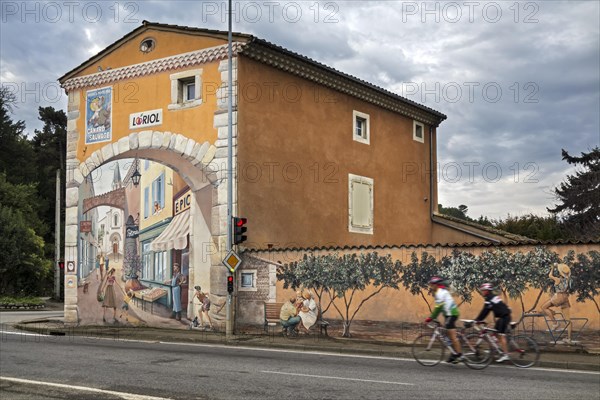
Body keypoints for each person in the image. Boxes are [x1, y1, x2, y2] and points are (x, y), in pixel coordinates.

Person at [424, 276, 463, 363]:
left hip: (452, 314)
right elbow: (440, 307)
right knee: (447, 334)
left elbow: (438, 307)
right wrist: (435, 318)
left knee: (452, 336)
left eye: (432, 284)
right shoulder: (440, 292)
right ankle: (454, 353)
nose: (430, 286)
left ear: (436, 285)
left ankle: (459, 355)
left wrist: (431, 318)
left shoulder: (440, 293)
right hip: (448, 314)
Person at [474, 283, 512, 362]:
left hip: (504, 317)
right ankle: (494, 350)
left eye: (483, 290)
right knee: (495, 333)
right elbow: (487, 310)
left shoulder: (489, 298)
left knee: (501, 336)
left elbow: (485, 311)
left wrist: (477, 320)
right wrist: (479, 319)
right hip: (502, 317)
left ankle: (506, 355)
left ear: (487, 291)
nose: (482, 292)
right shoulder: (492, 297)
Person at [541, 263, 572, 342]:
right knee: (568, 319)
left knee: (544, 307)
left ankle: (555, 323)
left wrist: (552, 267)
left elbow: (550, 275)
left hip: (558, 297)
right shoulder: (567, 279)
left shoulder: (558, 279)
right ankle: (569, 338)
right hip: (565, 298)